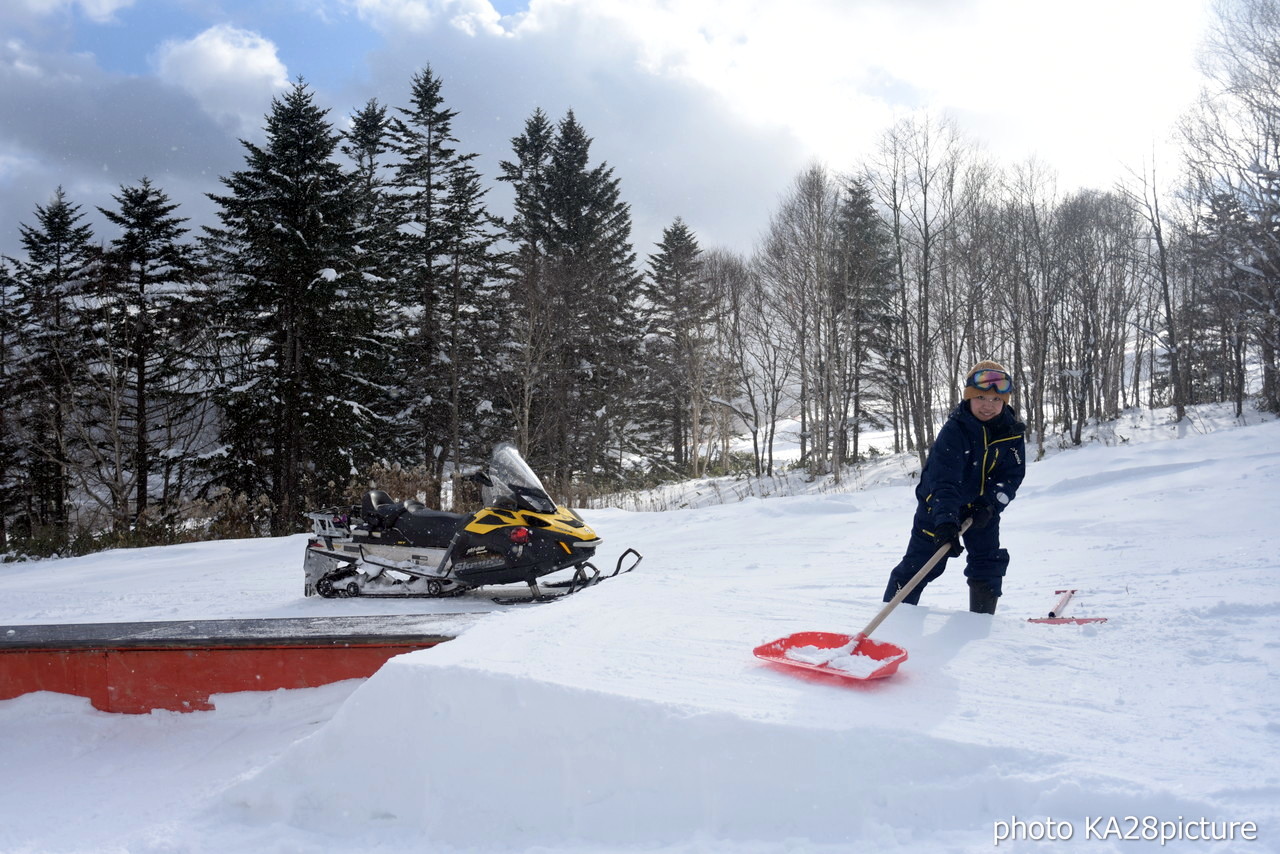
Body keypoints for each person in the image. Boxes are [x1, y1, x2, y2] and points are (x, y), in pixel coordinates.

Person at [882, 360, 1026, 614]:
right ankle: (894, 621)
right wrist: (946, 521)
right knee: (923, 564)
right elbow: (944, 481)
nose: (988, 405)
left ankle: (980, 623)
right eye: (981, 397)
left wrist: (990, 505)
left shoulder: (1011, 433)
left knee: (987, 562)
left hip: (982, 510)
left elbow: (1011, 476)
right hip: (938, 508)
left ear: (1005, 401)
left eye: (995, 399)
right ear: (968, 397)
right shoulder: (955, 431)